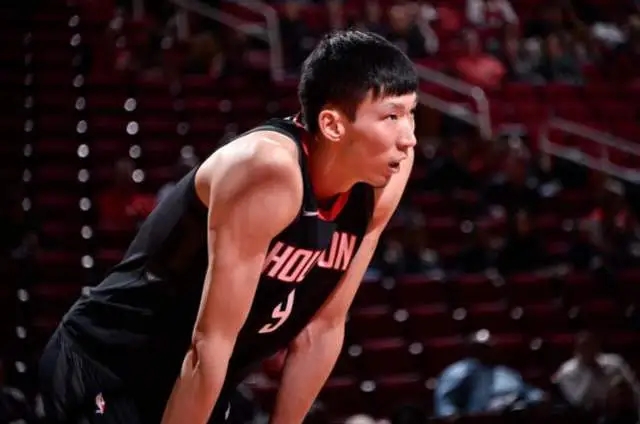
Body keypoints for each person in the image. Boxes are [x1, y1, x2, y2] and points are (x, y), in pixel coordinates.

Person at [38, 29, 418, 424]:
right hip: (111, 364)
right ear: (333, 125)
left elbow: (321, 328)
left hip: (197, 378)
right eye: (391, 116)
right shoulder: (268, 171)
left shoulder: (385, 178)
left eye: (411, 113)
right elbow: (209, 345)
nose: (408, 138)